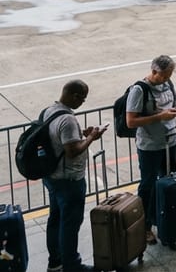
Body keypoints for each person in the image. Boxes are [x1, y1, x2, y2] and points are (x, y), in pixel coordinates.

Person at [44, 79, 106, 272]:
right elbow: (72, 150)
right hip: (69, 180)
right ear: (74, 96)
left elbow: (59, 140)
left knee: (55, 219)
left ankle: (55, 262)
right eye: (83, 98)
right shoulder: (68, 119)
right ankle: (72, 265)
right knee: (70, 224)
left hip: (52, 176)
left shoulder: (49, 111)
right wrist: (91, 137)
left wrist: (80, 134)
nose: (83, 102)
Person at [124, 55, 176, 245]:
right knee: (148, 185)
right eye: (164, 75)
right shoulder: (139, 90)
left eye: (169, 75)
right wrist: (160, 117)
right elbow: (131, 121)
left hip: (170, 140)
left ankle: (163, 217)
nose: (166, 79)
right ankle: (145, 226)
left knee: (167, 179)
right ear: (154, 72)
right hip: (150, 145)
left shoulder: (168, 84)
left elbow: (173, 103)